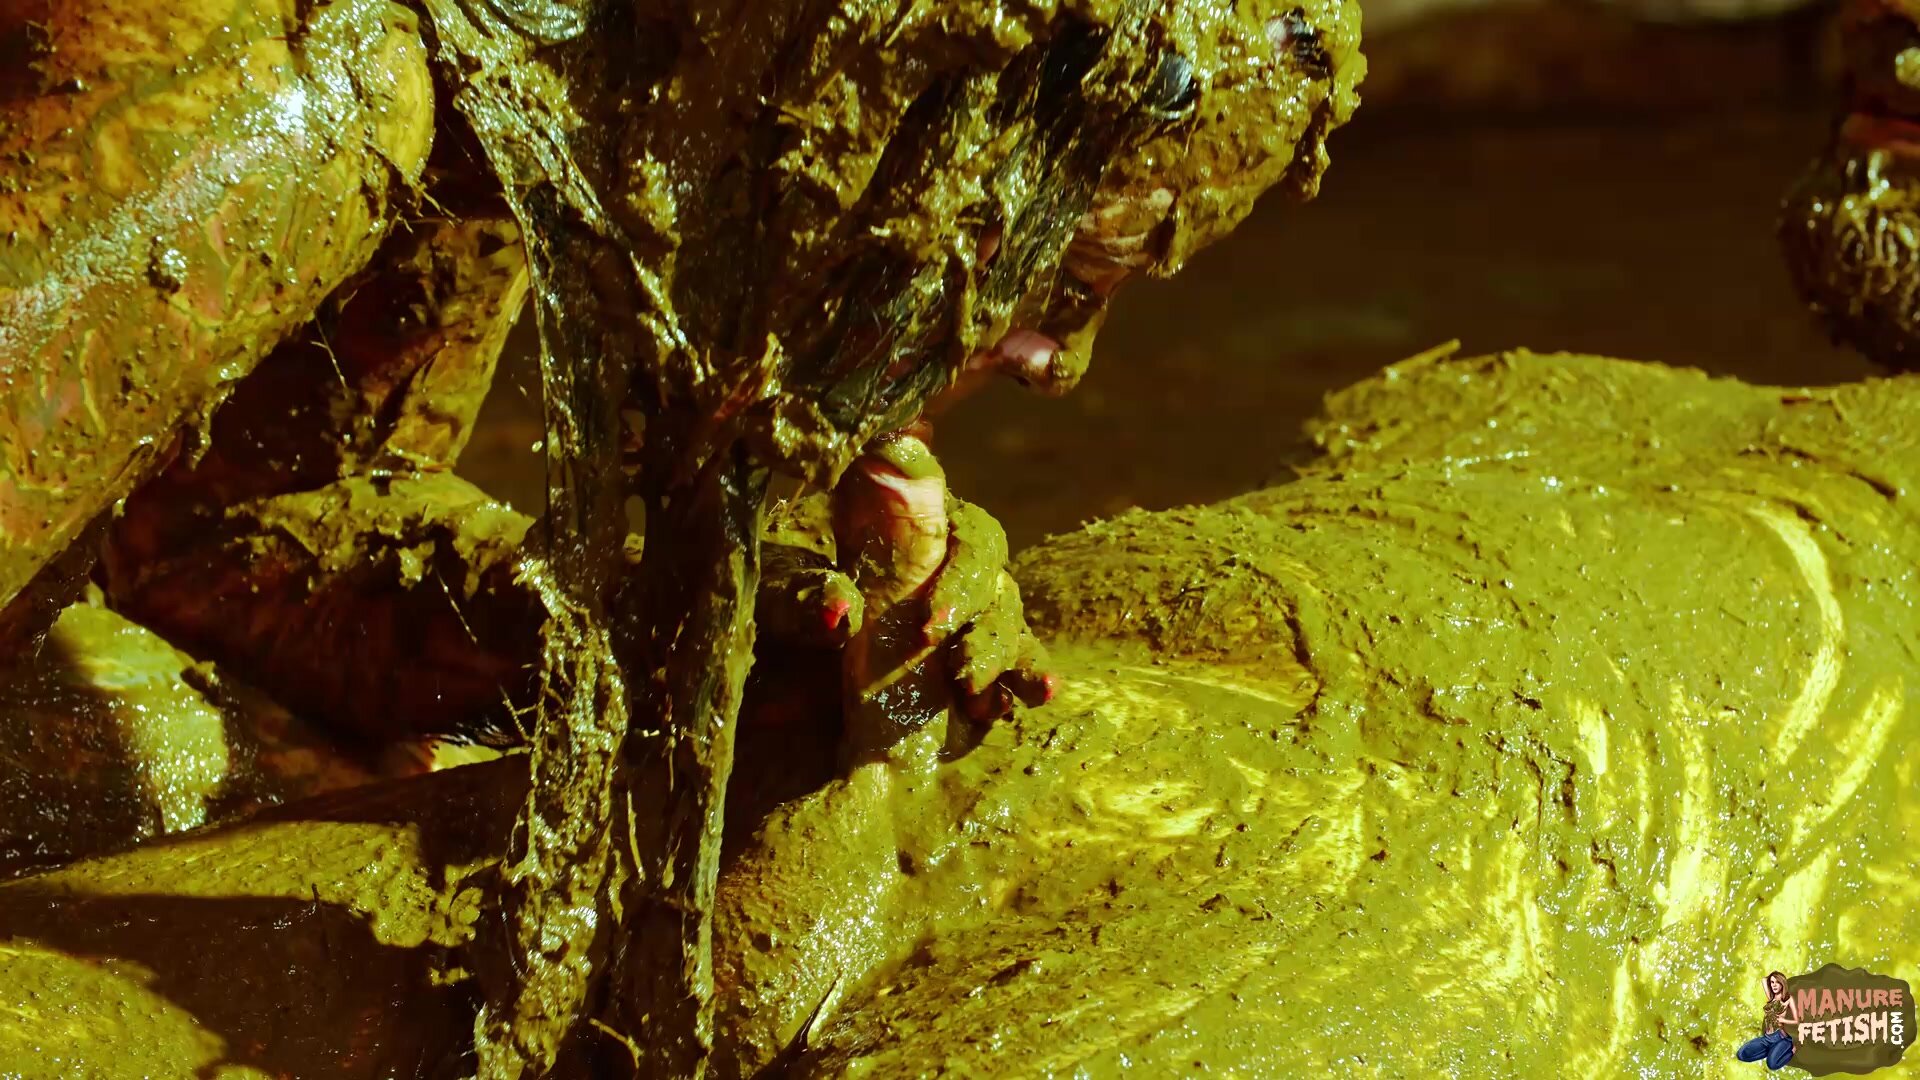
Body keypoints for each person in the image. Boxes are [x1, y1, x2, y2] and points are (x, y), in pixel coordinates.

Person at [1737, 971, 1800, 1070]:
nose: (1774, 985)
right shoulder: (1771, 998)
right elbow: (1764, 980)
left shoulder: (1787, 1000)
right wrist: (1772, 977)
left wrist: (1783, 1020)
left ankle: (1791, 1051)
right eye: (1772, 982)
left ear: (1782, 983)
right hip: (1767, 1038)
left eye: (1777, 982)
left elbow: (1797, 1020)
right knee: (1741, 1054)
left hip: (1780, 1037)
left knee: (1772, 1065)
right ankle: (1770, 1051)